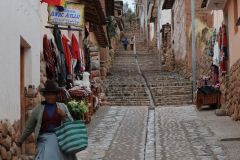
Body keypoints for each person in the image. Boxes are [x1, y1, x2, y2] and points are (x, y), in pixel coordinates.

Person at [17, 80, 77, 160]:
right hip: (43, 139)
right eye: (48, 94)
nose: (50, 96)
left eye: (52, 94)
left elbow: (71, 124)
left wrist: (64, 116)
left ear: (56, 95)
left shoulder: (62, 107)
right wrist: (21, 140)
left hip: (60, 138)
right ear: (44, 95)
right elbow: (29, 127)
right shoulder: (38, 109)